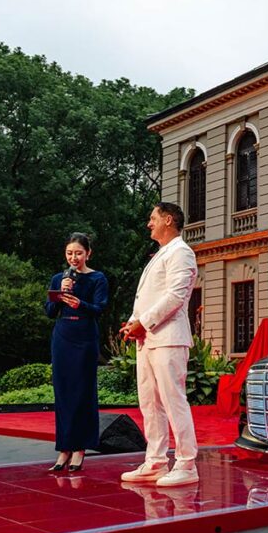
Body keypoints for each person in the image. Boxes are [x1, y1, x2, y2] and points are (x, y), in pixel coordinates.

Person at [120, 202, 200, 487]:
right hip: (148, 338)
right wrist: (133, 322)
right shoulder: (161, 255)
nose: (148, 223)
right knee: (149, 402)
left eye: (153, 218)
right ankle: (155, 460)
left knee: (173, 400)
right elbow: (147, 297)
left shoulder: (181, 252)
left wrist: (145, 321)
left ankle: (187, 463)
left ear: (168, 220)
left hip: (168, 338)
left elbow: (176, 296)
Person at [44, 232, 109, 473]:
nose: (74, 257)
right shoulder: (58, 278)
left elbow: (100, 308)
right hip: (62, 336)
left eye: (78, 253)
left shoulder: (97, 278)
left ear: (88, 254)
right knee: (62, 393)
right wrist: (60, 295)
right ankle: (64, 449)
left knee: (83, 391)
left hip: (84, 337)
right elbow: (49, 311)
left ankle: (80, 449)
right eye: (70, 253)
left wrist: (79, 303)